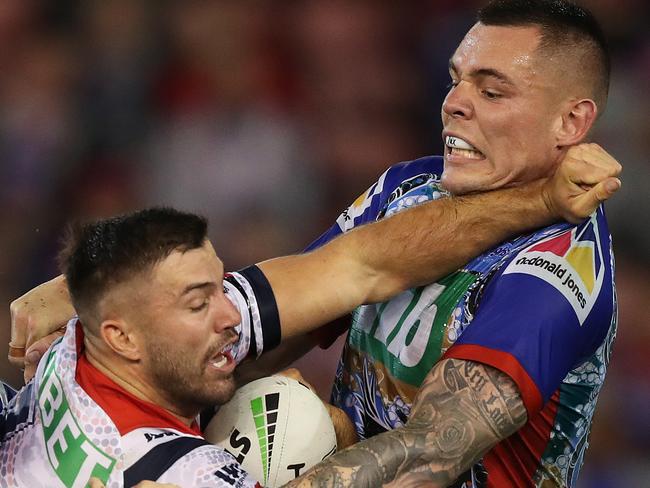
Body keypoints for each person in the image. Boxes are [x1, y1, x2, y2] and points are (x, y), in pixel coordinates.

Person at [1, 149, 619, 488]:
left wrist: (541, 200)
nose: (229, 317)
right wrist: (336, 437)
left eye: (221, 288)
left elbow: (359, 264)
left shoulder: (73, 344)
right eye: (198, 302)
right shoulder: (189, 474)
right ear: (123, 336)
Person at [278, 1, 620, 487]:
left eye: (492, 91)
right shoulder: (405, 188)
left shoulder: (562, 266)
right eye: (455, 80)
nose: (454, 103)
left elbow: (433, 451)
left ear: (569, 122)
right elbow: (278, 319)